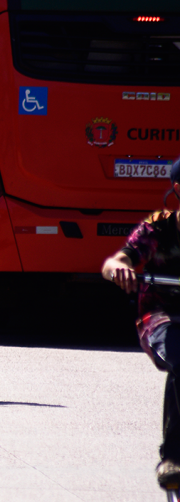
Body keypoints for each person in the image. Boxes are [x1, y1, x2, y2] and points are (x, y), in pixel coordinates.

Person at [102, 160, 180, 487]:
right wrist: (119, 269)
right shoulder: (159, 227)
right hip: (160, 316)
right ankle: (174, 456)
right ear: (177, 190)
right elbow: (116, 261)